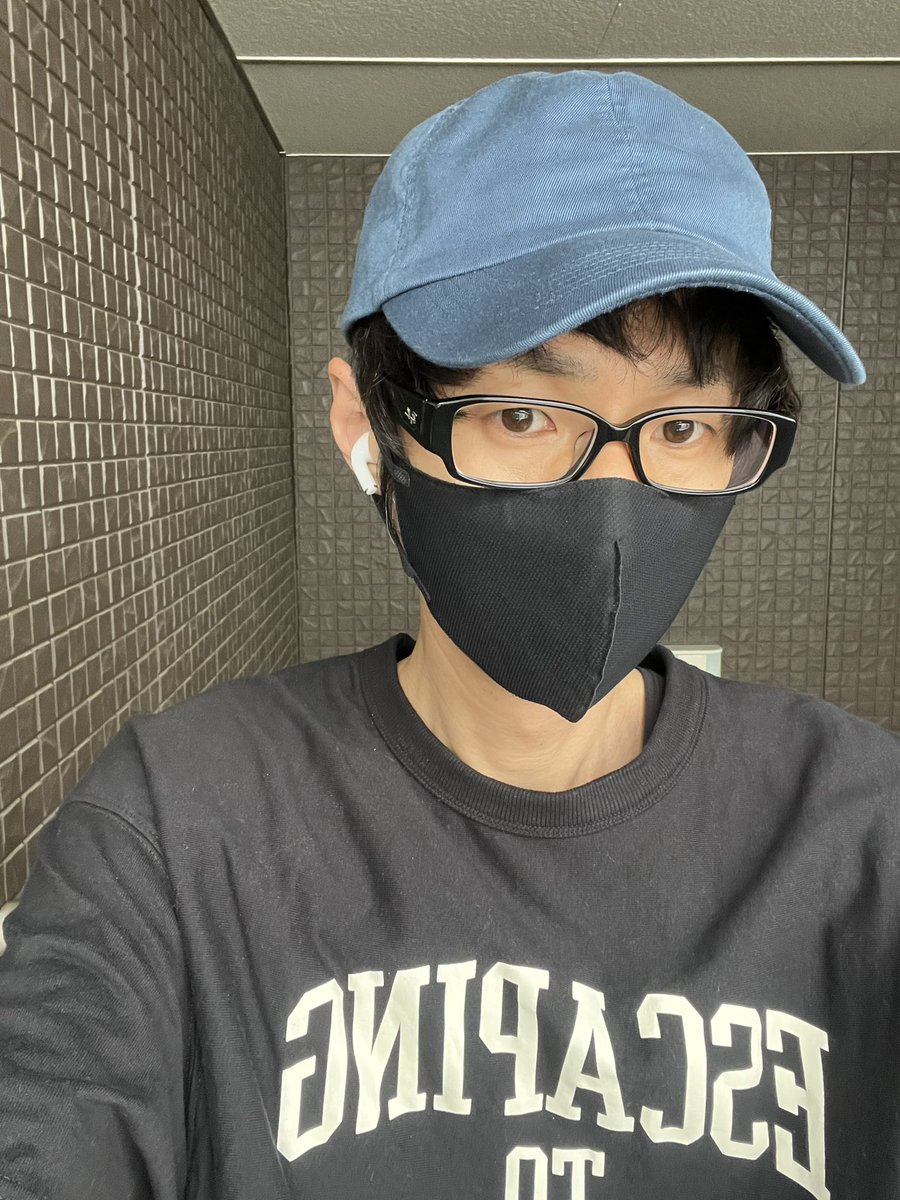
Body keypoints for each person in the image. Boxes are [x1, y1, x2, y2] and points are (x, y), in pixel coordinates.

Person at [0, 69, 897, 1200]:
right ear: (365, 424)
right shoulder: (177, 831)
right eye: (522, 413)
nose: (613, 507)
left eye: (682, 427)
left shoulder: (865, 832)